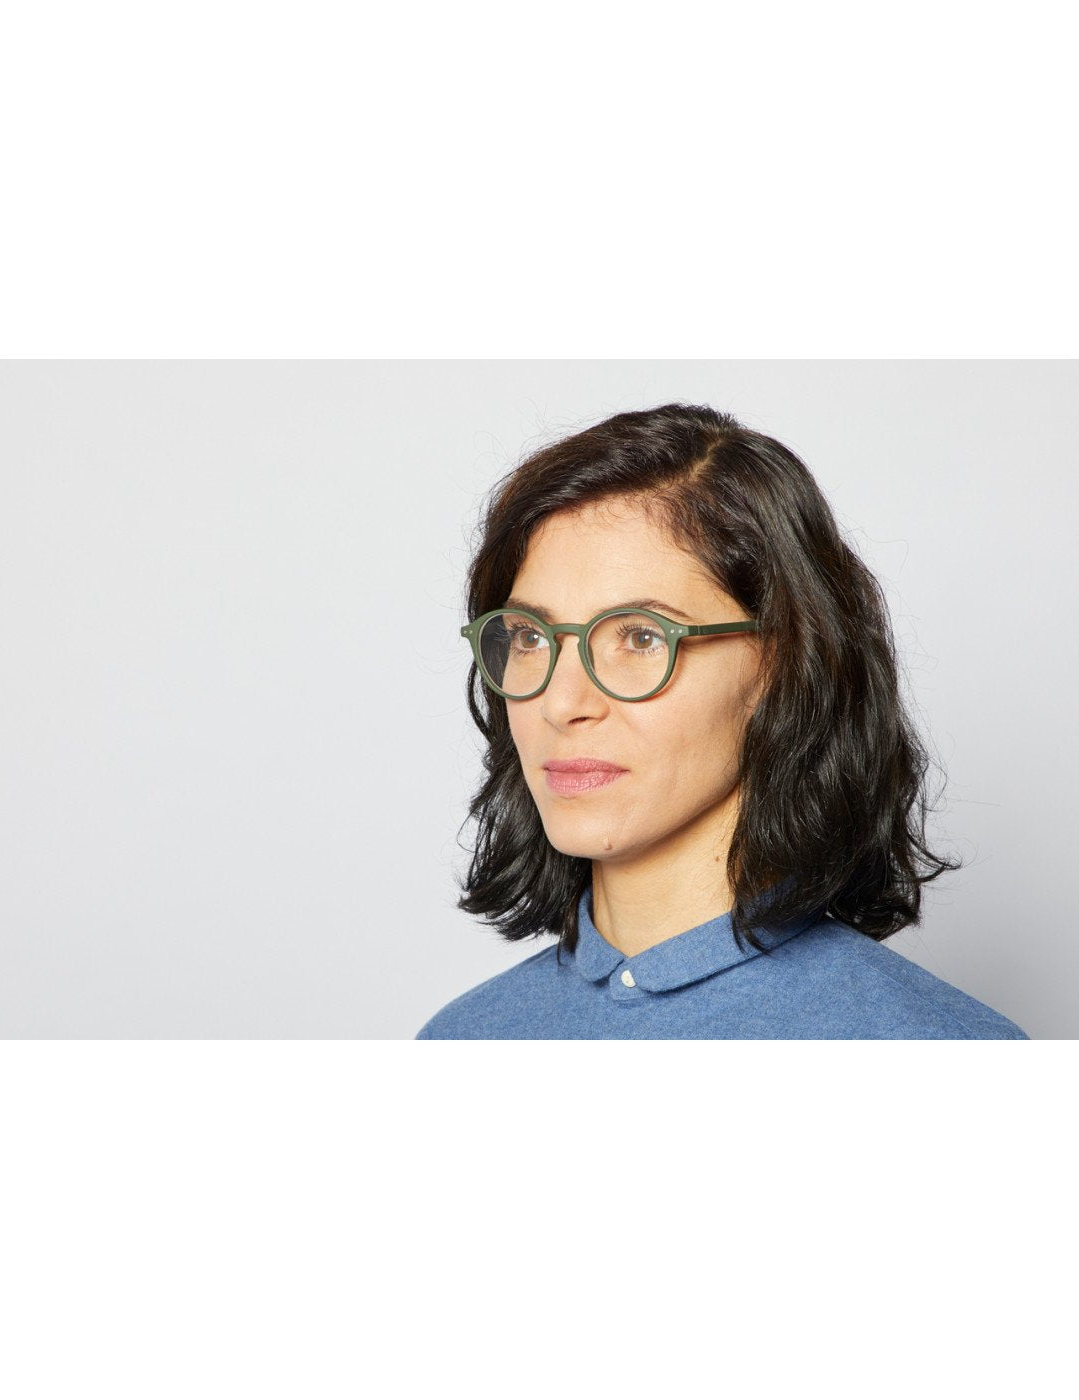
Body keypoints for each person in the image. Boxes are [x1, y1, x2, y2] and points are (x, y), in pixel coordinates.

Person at [415, 403, 1028, 1039]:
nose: (561, 703)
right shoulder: (461, 1037)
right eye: (528, 636)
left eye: (642, 636)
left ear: (784, 664)